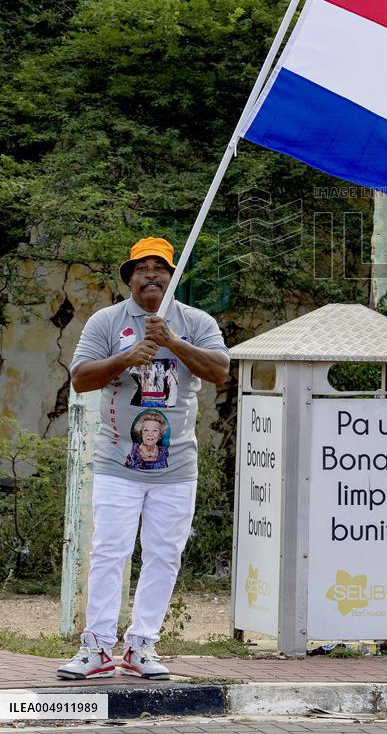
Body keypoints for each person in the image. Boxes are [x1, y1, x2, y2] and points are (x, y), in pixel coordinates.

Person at [57, 237, 229, 681]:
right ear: (129, 277)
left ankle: (141, 645)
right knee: (109, 552)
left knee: (164, 555)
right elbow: (80, 379)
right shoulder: (107, 321)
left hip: (176, 467)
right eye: (142, 268)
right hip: (118, 462)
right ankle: (96, 647)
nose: (151, 275)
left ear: (173, 277)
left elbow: (220, 371)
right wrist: (126, 357)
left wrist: (173, 341)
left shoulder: (196, 322)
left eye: (160, 268)